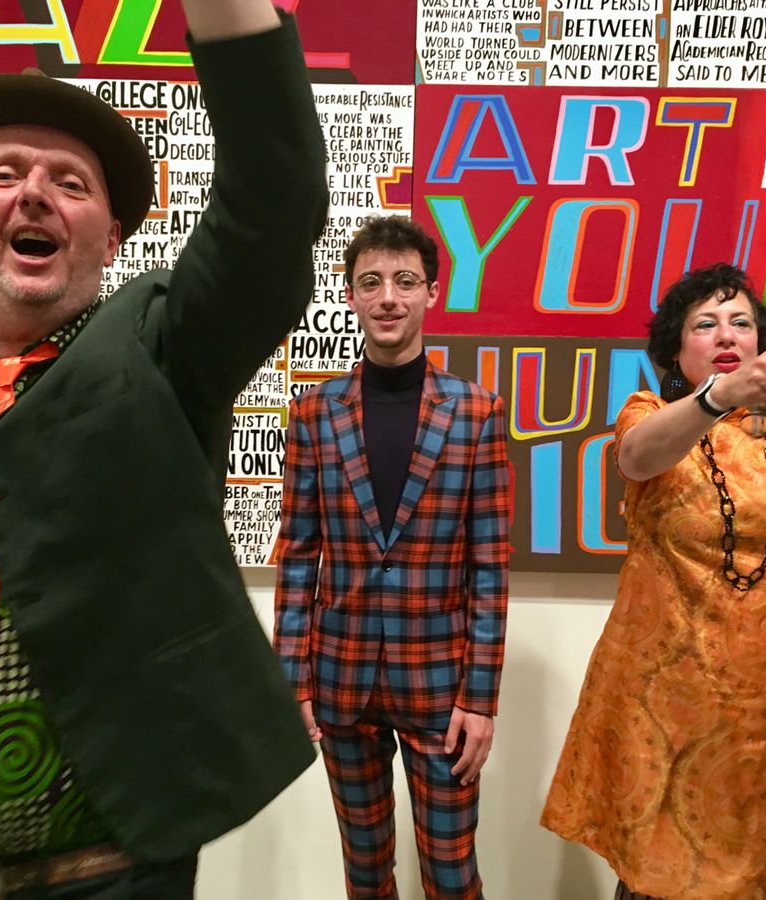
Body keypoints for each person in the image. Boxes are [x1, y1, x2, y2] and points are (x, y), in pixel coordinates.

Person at [0, 1, 327, 897]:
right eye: (4, 173)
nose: (33, 191)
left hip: (104, 876)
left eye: (71, 182)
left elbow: (273, 201)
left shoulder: (160, 351)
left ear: (111, 238)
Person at [541, 263, 766, 900]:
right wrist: (720, 396)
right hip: (654, 703)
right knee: (652, 876)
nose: (725, 333)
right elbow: (637, 457)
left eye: (741, 322)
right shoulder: (649, 413)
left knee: (745, 876)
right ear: (676, 348)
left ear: (762, 342)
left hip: (761, 706)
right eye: (704, 323)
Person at [273, 215, 510, 899]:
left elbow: (489, 567)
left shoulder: (477, 412)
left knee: (450, 871)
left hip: (442, 689)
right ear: (349, 295)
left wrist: (482, 698)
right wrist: (295, 681)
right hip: (342, 683)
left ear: (431, 292)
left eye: (405, 281)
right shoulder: (315, 413)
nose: (388, 297)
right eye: (370, 282)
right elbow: (297, 558)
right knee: (366, 871)